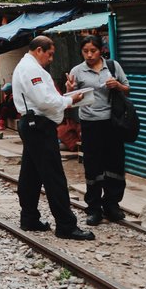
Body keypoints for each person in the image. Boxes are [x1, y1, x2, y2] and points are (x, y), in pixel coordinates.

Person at [12, 36, 94, 241]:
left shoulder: (29, 67)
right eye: (49, 54)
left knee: (30, 175)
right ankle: (66, 225)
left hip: (33, 124)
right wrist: (69, 100)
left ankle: (29, 217)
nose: (51, 59)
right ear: (39, 50)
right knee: (54, 176)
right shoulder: (31, 69)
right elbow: (44, 100)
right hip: (38, 125)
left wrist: (66, 95)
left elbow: (45, 97)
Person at [66, 34, 131, 226]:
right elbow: (71, 97)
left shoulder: (112, 66)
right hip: (90, 123)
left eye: (92, 51)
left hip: (112, 122)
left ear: (100, 50)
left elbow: (127, 88)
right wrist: (70, 87)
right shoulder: (77, 70)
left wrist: (117, 85)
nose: (89, 55)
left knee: (115, 163)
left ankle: (112, 205)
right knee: (93, 166)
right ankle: (94, 208)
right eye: (85, 51)